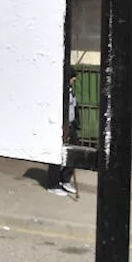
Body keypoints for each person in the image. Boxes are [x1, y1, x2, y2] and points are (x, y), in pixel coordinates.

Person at [47, 65, 80, 196]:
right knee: (57, 154)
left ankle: (65, 179)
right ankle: (53, 184)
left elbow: (74, 107)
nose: (74, 79)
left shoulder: (71, 90)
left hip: (70, 125)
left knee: (74, 152)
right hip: (61, 127)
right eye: (72, 77)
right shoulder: (59, 92)